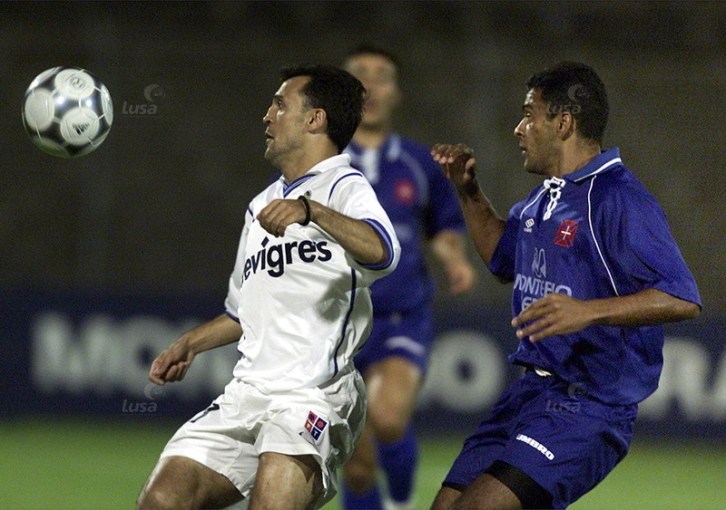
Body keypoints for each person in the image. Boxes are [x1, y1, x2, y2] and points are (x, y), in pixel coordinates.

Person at [430, 61, 701, 509]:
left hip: (588, 407)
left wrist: (587, 311)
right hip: (528, 395)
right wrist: (468, 192)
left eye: (529, 115)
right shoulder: (545, 197)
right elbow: (502, 260)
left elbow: (681, 296)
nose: (519, 129)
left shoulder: (617, 198)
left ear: (563, 123)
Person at [136, 64, 401, 510]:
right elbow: (241, 313)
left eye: (280, 105)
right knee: (162, 500)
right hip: (247, 394)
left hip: (314, 394)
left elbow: (384, 251)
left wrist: (312, 211)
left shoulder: (344, 185)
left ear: (315, 119)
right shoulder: (260, 205)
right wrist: (191, 343)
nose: (266, 115)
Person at [339, 45, 476, 510]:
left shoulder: (418, 164)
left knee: (388, 419)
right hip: (336, 326)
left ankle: (400, 501)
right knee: (356, 465)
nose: (371, 84)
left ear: (396, 93)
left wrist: (454, 260)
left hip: (401, 318)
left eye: (382, 76)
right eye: (360, 74)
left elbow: (443, 227)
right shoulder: (321, 166)